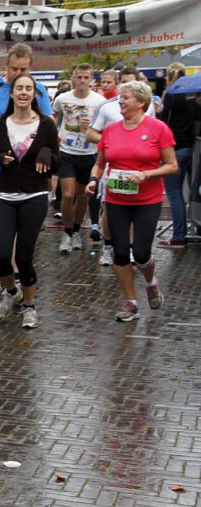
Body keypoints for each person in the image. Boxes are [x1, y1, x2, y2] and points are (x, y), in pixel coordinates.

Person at [85, 80, 178, 322]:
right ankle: (131, 302)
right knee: (120, 252)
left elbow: (172, 165)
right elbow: (100, 162)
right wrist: (94, 180)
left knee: (142, 252)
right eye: (119, 97)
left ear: (141, 102)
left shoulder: (158, 129)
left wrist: (146, 174)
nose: (120, 101)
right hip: (116, 199)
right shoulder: (111, 130)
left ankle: (150, 282)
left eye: (125, 97)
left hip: (147, 198)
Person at [0, 43, 54, 295]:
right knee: (3, 223)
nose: (18, 73)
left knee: (23, 225)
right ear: (6, 66)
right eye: (14, 68)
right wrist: (5, 131)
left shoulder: (38, 91)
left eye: (23, 69)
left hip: (29, 169)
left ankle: (17, 271)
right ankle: (3, 271)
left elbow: (48, 124)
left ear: (31, 67)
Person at [0, 73, 59, 329]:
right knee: (1, 255)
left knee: (24, 257)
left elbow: (57, 162)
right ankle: (11, 291)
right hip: (5, 194)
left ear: (34, 94)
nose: (24, 92)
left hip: (34, 194)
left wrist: (48, 152)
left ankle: (29, 306)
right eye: (19, 88)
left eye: (29, 88)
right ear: (12, 94)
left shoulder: (46, 125)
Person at [85, 66, 157, 266]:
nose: (127, 87)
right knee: (109, 209)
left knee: (134, 208)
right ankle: (109, 247)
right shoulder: (108, 106)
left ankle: (132, 249)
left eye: (132, 82)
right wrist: (114, 143)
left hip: (138, 169)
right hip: (113, 167)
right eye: (124, 82)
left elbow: (154, 135)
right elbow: (90, 133)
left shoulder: (148, 106)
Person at [52, 64, 105, 254]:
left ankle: (75, 230)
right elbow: (54, 116)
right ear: (73, 77)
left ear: (91, 79)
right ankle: (66, 233)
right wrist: (55, 136)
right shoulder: (63, 98)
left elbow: (104, 125)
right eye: (79, 77)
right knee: (67, 195)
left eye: (86, 77)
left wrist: (90, 127)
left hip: (89, 153)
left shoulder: (99, 101)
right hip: (67, 152)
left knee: (83, 197)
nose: (82, 81)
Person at [157, 62, 198, 248]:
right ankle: (196, 227)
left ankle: (179, 236)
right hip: (193, 148)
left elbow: (163, 123)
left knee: (174, 194)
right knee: (192, 191)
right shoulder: (195, 99)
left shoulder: (172, 95)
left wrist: (159, 113)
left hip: (174, 149)